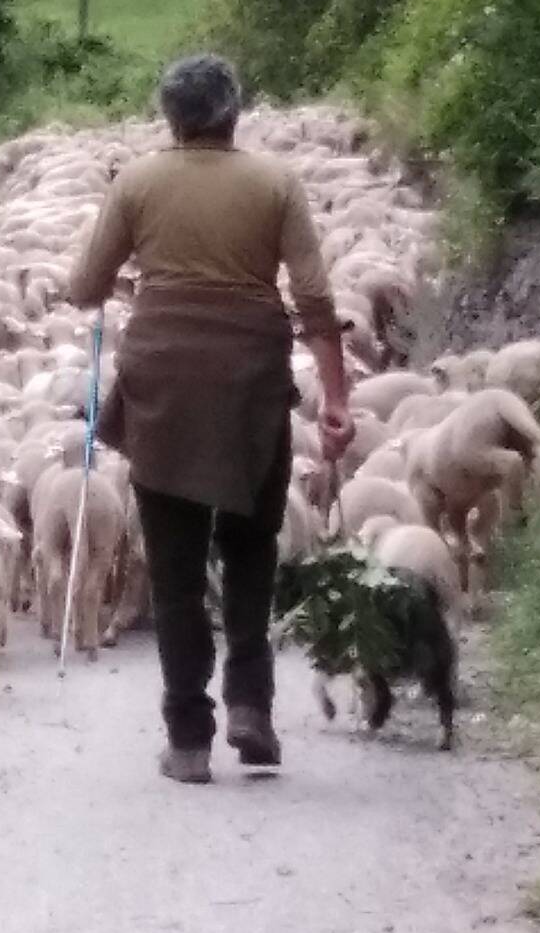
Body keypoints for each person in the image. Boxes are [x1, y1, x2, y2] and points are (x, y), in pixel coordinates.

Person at [69, 55, 354, 784]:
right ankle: (252, 704)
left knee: (173, 572)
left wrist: (140, 279)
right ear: (235, 112)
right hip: (249, 382)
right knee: (252, 549)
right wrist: (337, 400)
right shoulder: (275, 184)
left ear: (170, 117)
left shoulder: (135, 182)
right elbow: (316, 299)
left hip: (161, 381)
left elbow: (84, 287)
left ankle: (189, 739)